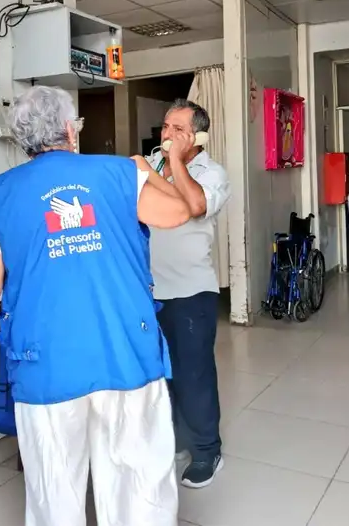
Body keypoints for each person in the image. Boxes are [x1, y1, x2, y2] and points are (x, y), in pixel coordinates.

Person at [0, 86, 191, 525]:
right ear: (70, 130)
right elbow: (179, 213)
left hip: (46, 363)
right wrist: (144, 169)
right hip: (125, 353)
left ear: (21, 138)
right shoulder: (117, 174)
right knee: (138, 481)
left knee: (55, 489)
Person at [144, 98, 231, 489]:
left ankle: (206, 451)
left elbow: (195, 205)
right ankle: (174, 440)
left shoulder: (211, 172)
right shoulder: (151, 163)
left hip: (191, 292)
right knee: (160, 377)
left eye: (179, 129)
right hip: (148, 292)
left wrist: (173, 161)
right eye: (166, 126)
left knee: (193, 375)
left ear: (198, 135)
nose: (168, 135)